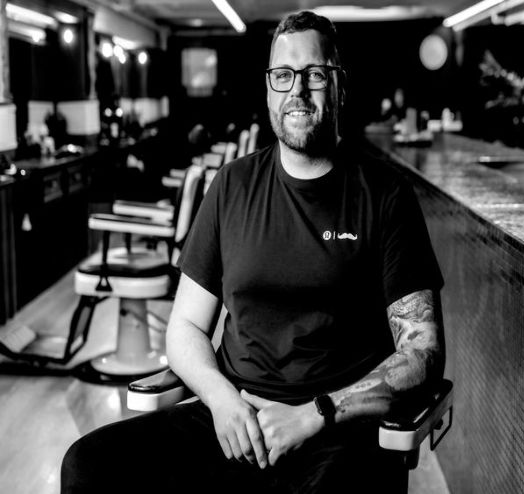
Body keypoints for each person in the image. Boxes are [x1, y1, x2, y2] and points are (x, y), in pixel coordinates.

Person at [61, 11, 445, 493]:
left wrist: (314, 415)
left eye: (315, 74)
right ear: (268, 89)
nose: (297, 91)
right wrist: (222, 400)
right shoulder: (231, 187)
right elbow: (185, 326)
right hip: (234, 419)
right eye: (283, 75)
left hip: (335, 432)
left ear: (339, 86)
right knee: (88, 467)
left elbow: (423, 352)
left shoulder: (386, 197)